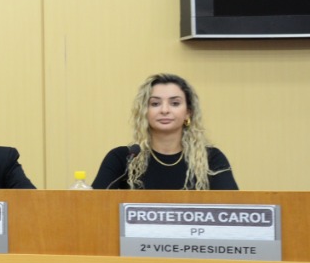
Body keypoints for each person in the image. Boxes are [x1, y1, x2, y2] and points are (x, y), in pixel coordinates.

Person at [92, 73, 237, 190]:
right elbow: (92, 205)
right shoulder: (124, 158)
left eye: (175, 103)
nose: (165, 110)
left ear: (188, 112)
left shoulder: (211, 159)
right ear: (144, 112)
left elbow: (232, 210)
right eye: (155, 104)